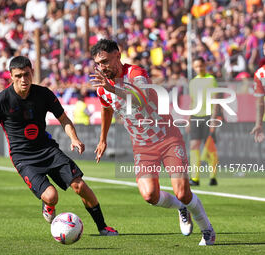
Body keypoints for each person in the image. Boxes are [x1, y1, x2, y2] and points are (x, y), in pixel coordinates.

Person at [0, 56, 118, 236]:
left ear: (32, 73)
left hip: (48, 150)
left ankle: (102, 227)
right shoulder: (2, 100)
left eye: (27, 75)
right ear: (11, 76)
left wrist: (74, 138)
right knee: (52, 197)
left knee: (80, 186)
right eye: (18, 76)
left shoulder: (44, 94)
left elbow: (64, 119)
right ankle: (48, 205)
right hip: (23, 158)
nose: (23, 80)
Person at [90, 39, 215, 245]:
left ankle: (207, 230)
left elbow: (142, 97)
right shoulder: (103, 88)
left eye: (105, 61)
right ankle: (181, 208)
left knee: (183, 192)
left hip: (168, 138)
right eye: (98, 64)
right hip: (142, 145)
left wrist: (113, 89)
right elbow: (106, 109)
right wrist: (102, 139)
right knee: (150, 195)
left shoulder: (135, 73)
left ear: (117, 55)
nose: (102, 67)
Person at [187, 57, 219, 186]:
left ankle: (213, 177)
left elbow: (216, 100)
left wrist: (213, 118)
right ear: (194, 68)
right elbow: (192, 102)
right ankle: (195, 178)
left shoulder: (211, 79)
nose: (199, 68)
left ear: (205, 65)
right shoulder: (193, 82)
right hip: (196, 116)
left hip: (208, 116)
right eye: (196, 66)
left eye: (201, 66)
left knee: (210, 147)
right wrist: (189, 119)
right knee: (194, 146)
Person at [250, 42, 265, 143]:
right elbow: (260, 102)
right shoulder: (260, 73)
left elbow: (260, 102)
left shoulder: (260, 73)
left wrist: (258, 124)